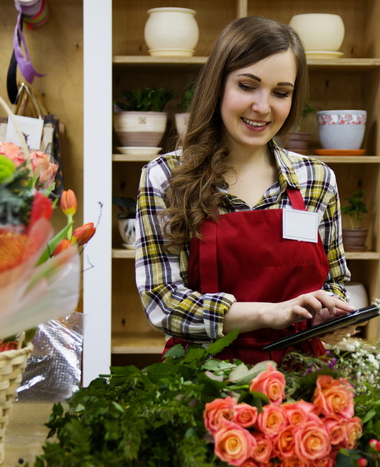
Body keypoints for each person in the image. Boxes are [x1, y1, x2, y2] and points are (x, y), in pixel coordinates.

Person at [135, 16, 355, 365]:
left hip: (303, 379)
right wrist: (271, 313)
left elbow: (335, 281)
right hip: (202, 379)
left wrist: (329, 314)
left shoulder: (316, 179)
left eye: (280, 92)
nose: (263, 107)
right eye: (247, 85)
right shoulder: (166, 177)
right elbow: (163, 301)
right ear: (218, 85)